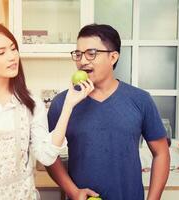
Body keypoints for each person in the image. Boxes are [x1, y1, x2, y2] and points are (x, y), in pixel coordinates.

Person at [0, 22, 94, 200]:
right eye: (1, 52)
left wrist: (69, 105)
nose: (12, 57)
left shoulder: (31, 103)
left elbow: (47, 156)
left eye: (13, 49)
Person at [46, 24, 170, 200]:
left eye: (91, 53)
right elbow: (49, 156)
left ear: (113, 57)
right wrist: (73, 192)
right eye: (78, 54)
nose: (82, 61)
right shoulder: (62, 104)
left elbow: (161, 153)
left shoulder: (141, 100)